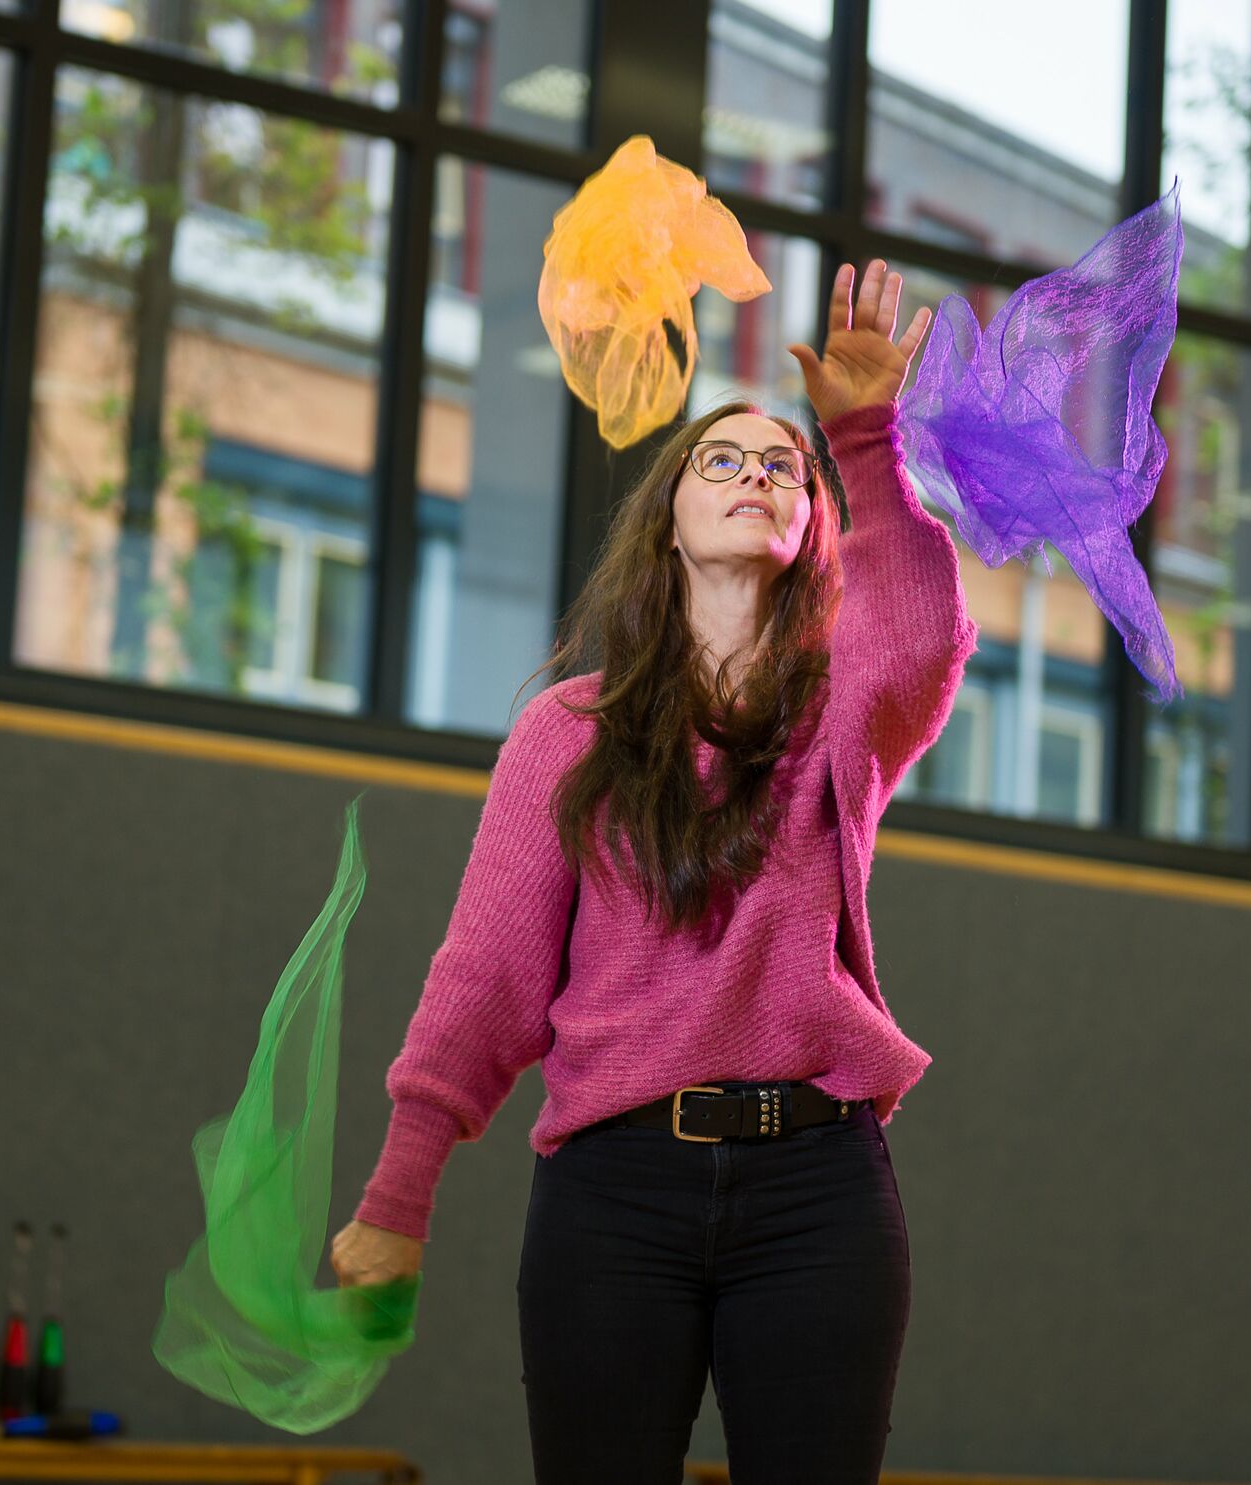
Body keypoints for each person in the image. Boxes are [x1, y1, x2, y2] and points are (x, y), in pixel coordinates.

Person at [328, 259, 976, 1483]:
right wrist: (398, 1197)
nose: (752, 476)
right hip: (614, 1192)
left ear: (808, 525)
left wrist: (863, 436)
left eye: (778, 467)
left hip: (818, 1189)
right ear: (666, 516)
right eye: (718, 461)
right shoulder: (567, 729)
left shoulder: (840, 712)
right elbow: (487, 976)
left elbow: (925, 635)